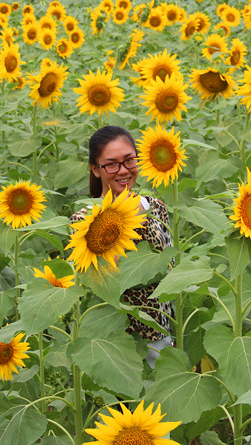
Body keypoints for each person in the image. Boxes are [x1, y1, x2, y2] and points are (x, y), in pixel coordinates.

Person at [69, 126, 173, 367]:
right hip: (111, 342)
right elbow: (99, 283)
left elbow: (170, 266)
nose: (123, 170)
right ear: (95, 170)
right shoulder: (84, 221)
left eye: (129, 161)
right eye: (112, 164)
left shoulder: (155, 207)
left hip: (157, 333)